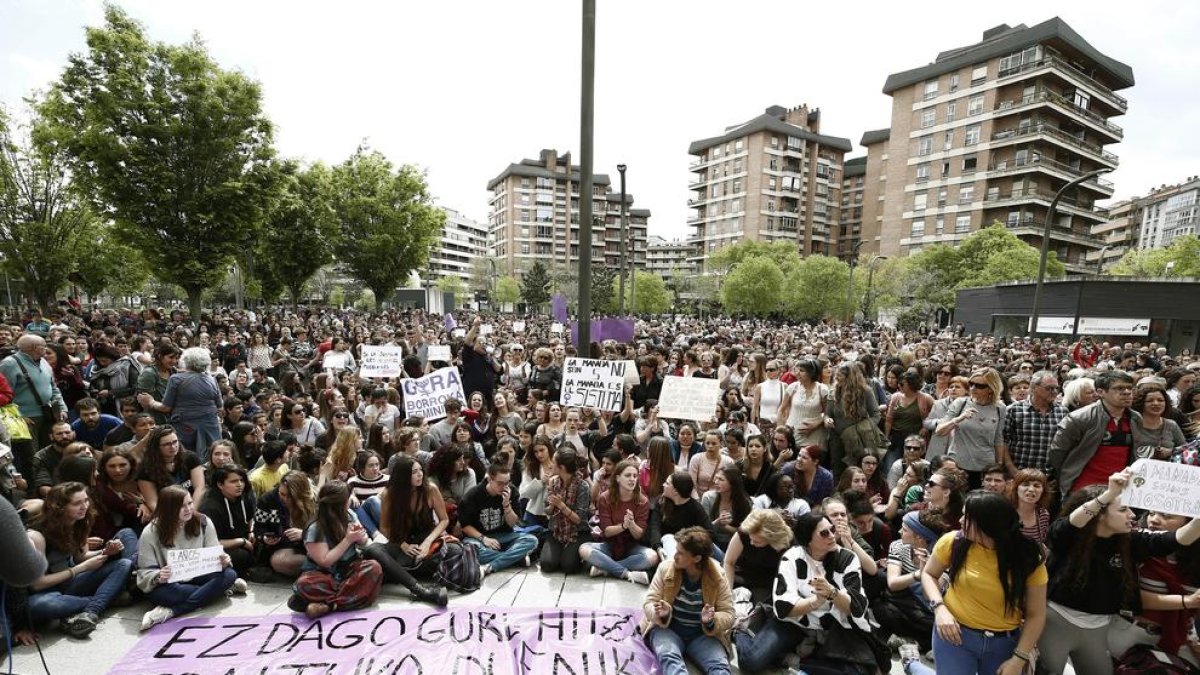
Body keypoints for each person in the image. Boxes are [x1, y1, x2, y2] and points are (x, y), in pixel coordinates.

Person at [1040, 469, 1200, 675]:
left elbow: (1179, 539)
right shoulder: (1068, 538)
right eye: (1123, 509)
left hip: (1097, 629)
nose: (1132, 515)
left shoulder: (1130, 541)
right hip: (1055, 622)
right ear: (1099, 515)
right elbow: (1069, 525)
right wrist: (1108, 495)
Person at [920, 490, 1046, 675]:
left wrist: (1018, 659)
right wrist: (940, 609)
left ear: (987, 525)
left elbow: (1037, 614)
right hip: (954, 635)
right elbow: (929, 574)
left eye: (966, 517)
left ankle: (912, 664)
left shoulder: (1027, 557)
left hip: (1004, 644)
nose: (960, 521)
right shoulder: (953, 541)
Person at [739, 511, 875, 673]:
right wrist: (815, 602)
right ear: (808, 539)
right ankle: (740, 630)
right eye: (824, 533)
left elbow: (855, 608)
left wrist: (833, 593)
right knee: (751, 662)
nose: (832, 535)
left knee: (857, 671)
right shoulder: (792, 557)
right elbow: (784, 607)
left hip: (834, 628)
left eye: (832, 529)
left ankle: (794, 661)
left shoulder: (848, 558)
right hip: (794, 623)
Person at [25, 482, 134, 638]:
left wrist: (105, 552)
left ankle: (92, 610)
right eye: (77, 503)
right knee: (39, 605)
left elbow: (80, 556)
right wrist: (81, 568)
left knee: (124, 562)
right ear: (59, 507)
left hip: (73, 583)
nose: (84, 507)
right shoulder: (37, 536)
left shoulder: (81, 521)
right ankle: (107, 597)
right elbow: (37, 584)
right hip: (49, 592)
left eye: (86, 501)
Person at [135, 485, 242, 631]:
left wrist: (223, 561)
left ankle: (170, 612)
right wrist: (159, 576)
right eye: (181, 506)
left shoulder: (203, 521)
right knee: (161, 594)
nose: (188, 509)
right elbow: (144, 571)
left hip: (200, 575)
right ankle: (218, 590)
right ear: (168, 508)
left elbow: (216, 554)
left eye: (190, 503)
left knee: (230, 574)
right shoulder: (151, 531)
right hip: (171, 583)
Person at [639, 526, 734, 675]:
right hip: (669, 630)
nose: (675, 556)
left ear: (697, 558)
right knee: (669, 658)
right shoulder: (666, 568)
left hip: (702, 635)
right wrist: (660, 613)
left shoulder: (717, 575)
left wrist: (711, 620)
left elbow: (728, 613)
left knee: (720, 667)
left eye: (681, 553)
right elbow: (649, 601)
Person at [360, 456, 449, 606]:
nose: (420, 474)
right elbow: (384, 528)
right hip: (401, 543)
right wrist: (403, 545)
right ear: (403, 476)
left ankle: (396, 573)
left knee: (453, 551)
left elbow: (444, 520)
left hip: (426, 543)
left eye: (420, 470)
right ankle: (420, 589)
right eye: (414, 472)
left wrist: (427, 542)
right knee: (372, 549)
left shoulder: (430, 489)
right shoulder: (389, 493)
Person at [290, 480, 383, 619]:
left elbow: (363, 541)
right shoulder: (315, 528)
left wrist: (360, 536)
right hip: (324, 574)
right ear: (340, 504)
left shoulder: (350, 515)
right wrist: (347, 540)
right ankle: (348, 598)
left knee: (374, 568)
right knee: (304, 584)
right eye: (347, 499)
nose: (350, 501)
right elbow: (325, 561)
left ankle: (328, 605)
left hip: (349, 569)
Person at [1051, 371, 1140, 496]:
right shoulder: (1078, 418)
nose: (1127, 392)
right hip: (1084, 491)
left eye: (1129, 388)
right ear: (1100, 392)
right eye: (1119, 388)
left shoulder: (1136, 419)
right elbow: (1057, 453)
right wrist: (1067, 479)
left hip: (1120, 489)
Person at [875, 509, 949, 655]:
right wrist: (918, 574)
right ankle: (920, 642)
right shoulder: (898, 546)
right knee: (881, 607)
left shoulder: (942, 554)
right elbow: (893, 584)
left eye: (904, 530)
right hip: (907, 603)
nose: (899, 532)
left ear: (919, 536)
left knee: (937, 624)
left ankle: (914, 641)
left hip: (930, 609)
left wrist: (928, 572)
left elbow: (931, 597)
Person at [580, 459, 659, 584]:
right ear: (617, 478)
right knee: (584, 549)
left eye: (635, 476)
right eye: (628, 475)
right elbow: (607, 531)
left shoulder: (643, 501)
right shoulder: (605, 497)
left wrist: (631, 524)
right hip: (609, 545)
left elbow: (638, 535)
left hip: (631, 547)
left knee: (653, 557)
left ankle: (606, 568)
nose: (632, 479)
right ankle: (626, 573)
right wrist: (623, 525)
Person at [1, 334, 68, 473]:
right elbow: (5, 395)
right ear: (33, 348)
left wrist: (62, 407)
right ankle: (34, 484)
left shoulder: (44, 362)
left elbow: (54, 387)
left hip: (48, 415)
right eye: (43, 346)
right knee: (32, 458)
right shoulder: (9, 364)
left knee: (51, 452)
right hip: (26, 419)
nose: (46, 348)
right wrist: (19, 417)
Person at [458, 462, 537, 575]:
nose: (504, 487)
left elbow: (512, 523)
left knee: (531, 540)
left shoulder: (512, 491)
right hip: (479, 537)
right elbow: (465, 526)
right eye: (500, 483)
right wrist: (484, 539)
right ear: (489, 479)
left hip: (504, 535)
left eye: (507, 483)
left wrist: (506, 505)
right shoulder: (473, 495)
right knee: (471, 549)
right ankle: (516, 558)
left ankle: (491, 566)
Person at [936, 367, 1006, 488]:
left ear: (991, 388)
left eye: (979, 386)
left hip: (985, 467)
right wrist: (959, 419)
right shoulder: (960, 403)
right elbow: (939, 431)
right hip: (958, 465)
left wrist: (999, 464)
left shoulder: (1000, 408)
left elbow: (998, 438)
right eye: (971, 384)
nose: (973, 388)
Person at [157, 347, 224, 460]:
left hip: (185, 429)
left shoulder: (176, 379)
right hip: (210, 428)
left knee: (185, 459)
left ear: (186, 361)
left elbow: (165, 407)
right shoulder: (212, 380)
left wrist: (150, 402)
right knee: (212, 458)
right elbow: (220, 408)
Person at [1002, 370, 1068, 475]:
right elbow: (1003, 442)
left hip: (1050, 475)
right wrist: (1012, 469)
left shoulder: (1062, 412)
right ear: (1034, 388)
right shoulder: (1014, 410)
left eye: (1056, 388)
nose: (1054, 392)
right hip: (1019, 473)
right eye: (1049, 388)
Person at [254, 470, 316, 578]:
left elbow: (325, 530)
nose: (286, 499)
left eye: (290, 496)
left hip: (312, 543)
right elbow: (259, 527)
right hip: (283, 547)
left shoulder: (315, 499)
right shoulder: (267, 500)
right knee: (280, 562)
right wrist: (264, 538)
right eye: (282, 494)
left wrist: (305, 534)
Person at [199, 464, 258, 576]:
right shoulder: (210, 507)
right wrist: (242, 541)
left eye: (241, 480)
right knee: (241, 555)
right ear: (220, 485)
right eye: (233, 481)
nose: (239, 485)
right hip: (218, 547)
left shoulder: (244, 496)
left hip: (242, 538)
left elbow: (250, 518)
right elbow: (212, 543)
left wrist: (251, 532)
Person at [540, 449, 591, 574]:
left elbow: (579, 519)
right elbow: (547, 511)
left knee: (569, 566)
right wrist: (552, 506)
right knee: (547, 565)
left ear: (561, 467)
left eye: (553, 462)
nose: (551, 465)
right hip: (556, 529)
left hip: (577, 531)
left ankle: (575, 554)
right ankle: (560, 553)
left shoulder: (582, 486)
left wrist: (561, 505)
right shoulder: (553, 482)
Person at [137, 425, 205, 514]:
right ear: (156, 447)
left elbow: (200, 488)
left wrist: (191, 512)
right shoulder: (146, 469)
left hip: (193, 506)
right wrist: (172, 518)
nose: (173, 447)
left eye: (175, 442)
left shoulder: (190, 458)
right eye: (166, 444)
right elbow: (153, 502)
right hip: (167, 511)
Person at [700, 466, 749, 553]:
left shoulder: (745, 503)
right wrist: (718, 522)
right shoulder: (708, 497)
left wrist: (726, 526)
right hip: (711, 541)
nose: (716, 482)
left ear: (733, 483)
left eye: (721, 480)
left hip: (734, 543)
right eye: (716, 478)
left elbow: (745, 533)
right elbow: (703, 529)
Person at [1009, 469, 1052, 548]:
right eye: (1025, 484)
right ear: (1016, 488)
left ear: (1043, 491)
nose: (1031, 489)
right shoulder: (1005, 512)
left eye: (1036, 486)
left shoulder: (1043, 514)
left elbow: (1041, 543)